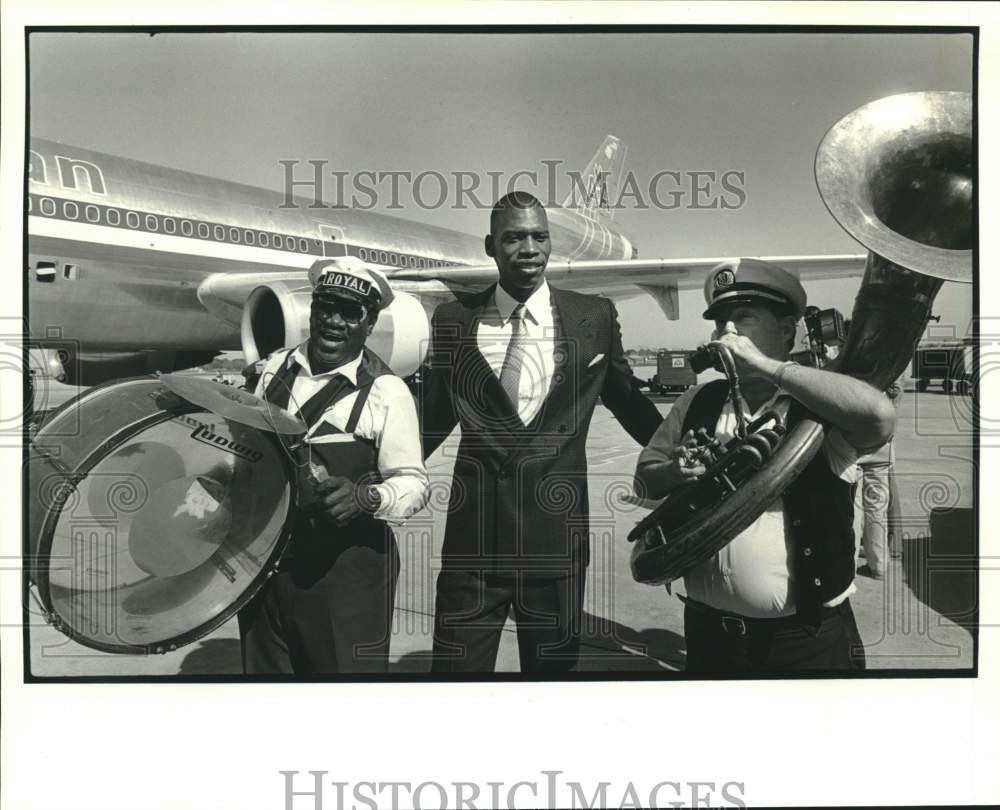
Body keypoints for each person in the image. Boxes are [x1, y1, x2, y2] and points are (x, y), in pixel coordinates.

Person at [420, 191, 663, 673]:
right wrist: (365, 472)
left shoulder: (593, 316)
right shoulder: (453, 319)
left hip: (556, 545)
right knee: (452, 685)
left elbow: (630, 403)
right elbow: (429, 422)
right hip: (474, 548)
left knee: (552, 687)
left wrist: (676, 456)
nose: (528, 248)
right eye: (514, 237)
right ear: (491, 246)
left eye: (539, 236)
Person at [634, 258, 896, 674]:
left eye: (743, 318)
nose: (727, 332)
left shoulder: (820, 408)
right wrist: (672, 472)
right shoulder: (696, 402)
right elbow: (644, 483)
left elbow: (879, 415)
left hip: (805, 642)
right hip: (708, 635)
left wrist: (770, 367)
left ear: (787, 330)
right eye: (720, 322)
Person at [237, 256, 429, 674]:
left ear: (369, 323)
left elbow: (413, 483)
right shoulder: (272, 369)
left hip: (345, 577)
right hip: (266, 568)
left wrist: (366, 496)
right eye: (325, 307)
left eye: (349, 313)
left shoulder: (386, 392)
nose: (333, 322)